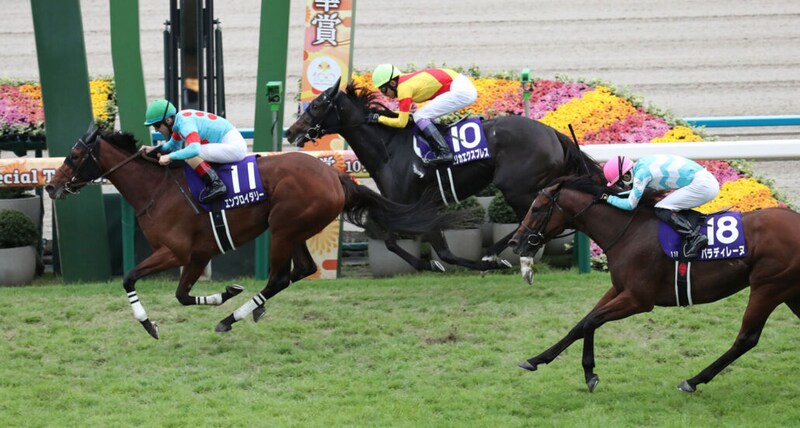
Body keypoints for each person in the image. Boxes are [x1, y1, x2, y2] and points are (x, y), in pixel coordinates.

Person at [601, 154, 720, 258]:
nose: (623, 187)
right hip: (704, 181)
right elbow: (635, 193)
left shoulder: (641, 175)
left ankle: (694, 237)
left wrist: (609, 199)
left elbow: (630, 204)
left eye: (620, 183)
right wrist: (616, 196)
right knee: (667, 205)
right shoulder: (641, 165)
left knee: (661, 208)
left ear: (626, 176)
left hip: (703, 185)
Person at [369, 64, 478, 166]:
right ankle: (439, 141)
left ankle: (444, 152)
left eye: (383, 89)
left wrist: (380, 119)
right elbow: (405, 113)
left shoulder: (404, 88)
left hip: (461, 90)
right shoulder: (404, 82)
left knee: (420, 116)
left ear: (392, 83)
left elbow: (402, 123)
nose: (384, 94)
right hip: (460, 85)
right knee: (420, 115)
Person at [142, 99, 247, 203]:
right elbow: (172, 145)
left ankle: (216, 184)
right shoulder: (179, 121)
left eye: (156, 125)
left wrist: (170, 156)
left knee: (189, 154)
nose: (155, 130)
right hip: (229, 144)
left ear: (168, 120)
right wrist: (153, 150)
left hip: (234, 147)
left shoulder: (185, 123)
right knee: (187, 152)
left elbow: (194, 149)